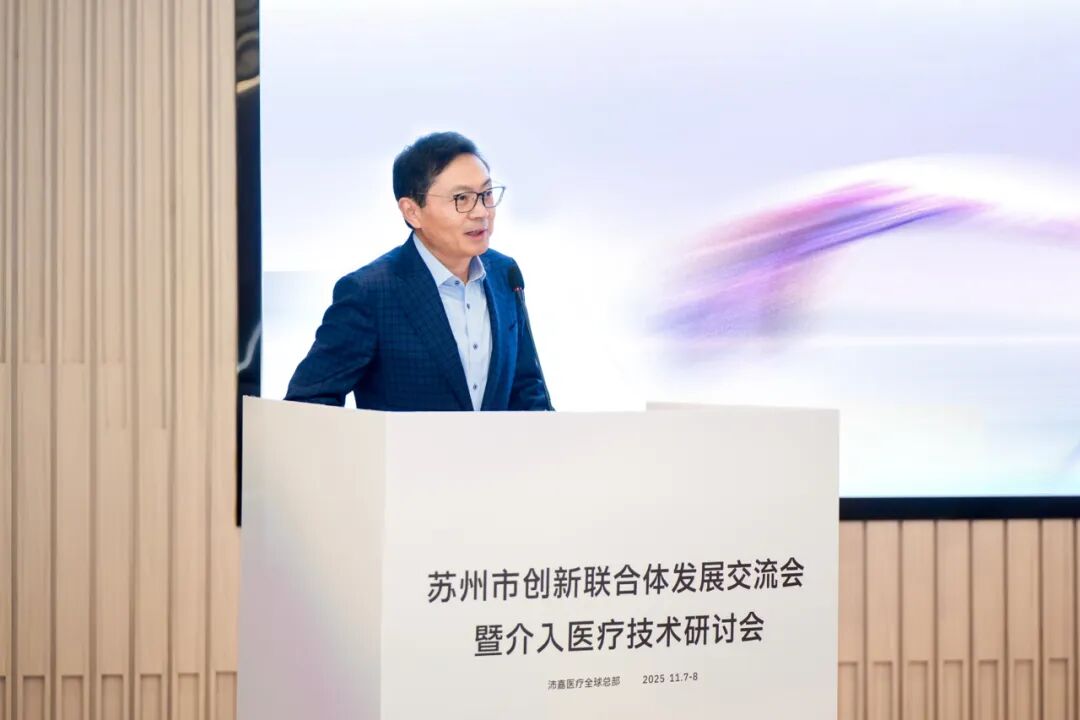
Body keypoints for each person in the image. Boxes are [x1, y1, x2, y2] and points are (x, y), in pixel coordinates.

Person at [285, 131, 552, 411]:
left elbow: (527, 389)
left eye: (486, 194)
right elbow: (307, 404)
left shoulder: (504, 274)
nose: (481, 212)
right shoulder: (370, 293)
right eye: (462, 198)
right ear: (412, 212)